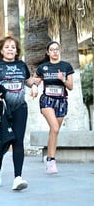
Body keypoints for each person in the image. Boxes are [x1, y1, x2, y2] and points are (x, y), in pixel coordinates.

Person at [0, 36, 38, 190]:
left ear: (17, 50)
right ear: (1, 50)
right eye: (7, 47)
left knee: (18, 141)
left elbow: (29, 80)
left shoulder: (21, 65)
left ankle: (17, 177)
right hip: (2, 110)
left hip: (20, 108)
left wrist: (34, 86)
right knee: (1, 143)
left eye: (13, 47)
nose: (10, 49)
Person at [32, 41, 74, 174]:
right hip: (47, 101)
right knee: (55, 128)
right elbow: (35, 81)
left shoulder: (66, 66)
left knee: (54, 131)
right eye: (52, 49)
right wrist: (34, 87)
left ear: (59, 51)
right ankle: (52, 161)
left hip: (61, 101)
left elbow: (71, 87)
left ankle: (48, 157)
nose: (55, 52)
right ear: (48, 52)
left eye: (57, 49)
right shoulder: (43, 67)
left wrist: (63, 79)